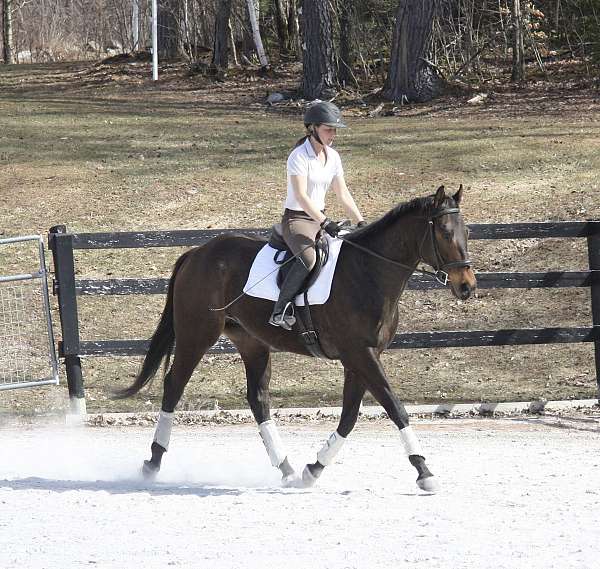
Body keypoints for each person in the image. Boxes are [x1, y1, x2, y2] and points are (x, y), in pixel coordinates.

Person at [269, 101, 366, 330]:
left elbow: (342, 193)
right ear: (312, 129)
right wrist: (325, 222)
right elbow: (301, 196)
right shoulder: (298, 156)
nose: (333, 135)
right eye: (328, 129)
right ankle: (280, 309)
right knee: (308, 259)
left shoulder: (333, 157)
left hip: (320, 219)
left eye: (334, 130)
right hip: (297, 219)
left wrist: (360, 221)